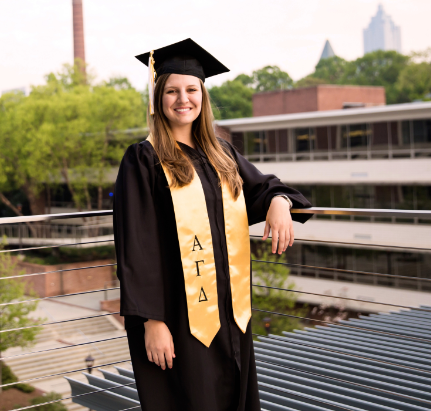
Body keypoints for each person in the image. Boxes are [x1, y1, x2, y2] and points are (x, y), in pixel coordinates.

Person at [113, 39, 312, 411]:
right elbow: (136, 247)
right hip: (178, 317)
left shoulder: (222, 155)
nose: (182, 98)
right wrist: (151, 322)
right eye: (171, 90)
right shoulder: (143, 159)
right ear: (158, 99)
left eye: (191, 89)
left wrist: (280, 203)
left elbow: (267, 188)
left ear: (202, 96)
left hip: (231, 315)